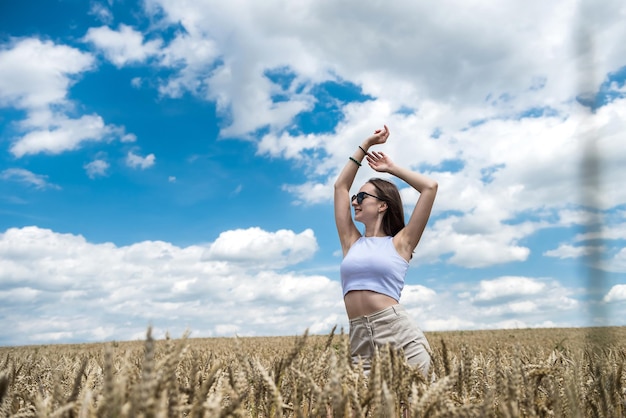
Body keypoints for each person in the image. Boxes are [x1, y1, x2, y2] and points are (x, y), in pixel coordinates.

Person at [334, 124, 438, 377]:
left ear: (382, 205)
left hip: (397, 333)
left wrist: (391, 169)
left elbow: (430, 187)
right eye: (355, 197)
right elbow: (340, 188)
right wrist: (365, 145)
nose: (354, 201)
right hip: (359, 339)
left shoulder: (401, 243)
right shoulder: (351, 241)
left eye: (362, 197)